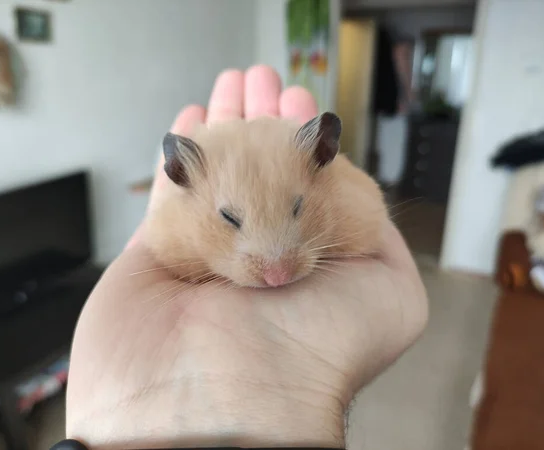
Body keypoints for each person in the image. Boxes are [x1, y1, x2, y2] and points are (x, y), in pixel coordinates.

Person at [61, 65, 428, 450]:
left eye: (298, 208)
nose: (277, 271)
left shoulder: (336, 189)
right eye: (230, 219)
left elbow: (368, 217)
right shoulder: (175, 225)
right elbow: (163, 242)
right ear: (181, 175)